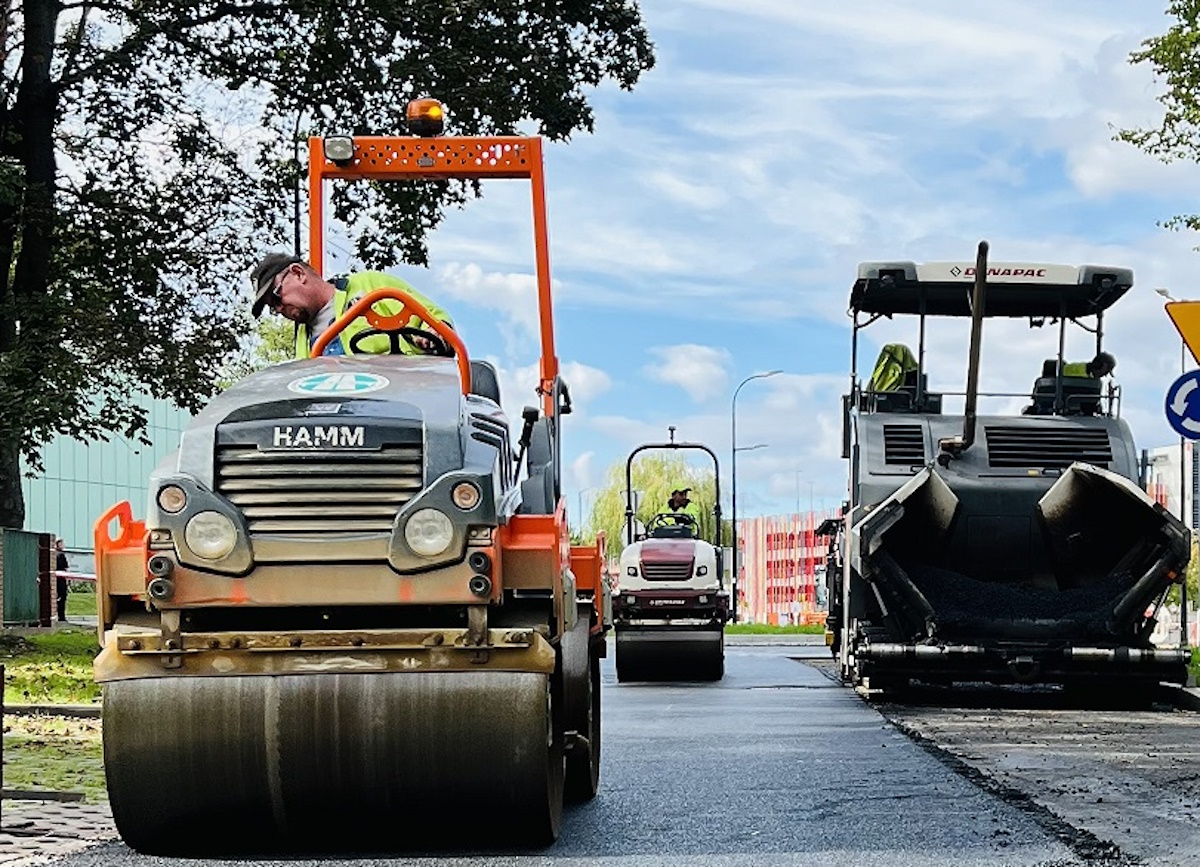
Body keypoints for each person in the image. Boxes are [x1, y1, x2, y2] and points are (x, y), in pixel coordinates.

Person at [250, 253, 454, 359]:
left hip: (401, 402)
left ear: (298, 274)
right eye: (272, 307)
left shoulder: (370, 286)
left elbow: (436, 320)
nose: (278, 309)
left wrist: (434, 332)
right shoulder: (303, 338)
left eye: (276, 298)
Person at [54, 539, 69, 623]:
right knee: (62, 597)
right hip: (61, 579)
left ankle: (57, 614)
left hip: (55, 579)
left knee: (56, 597)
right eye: (62, 543)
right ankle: (61, 616)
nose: (63, 545)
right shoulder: (61, 555)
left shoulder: (53, 554)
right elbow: (65, 568)